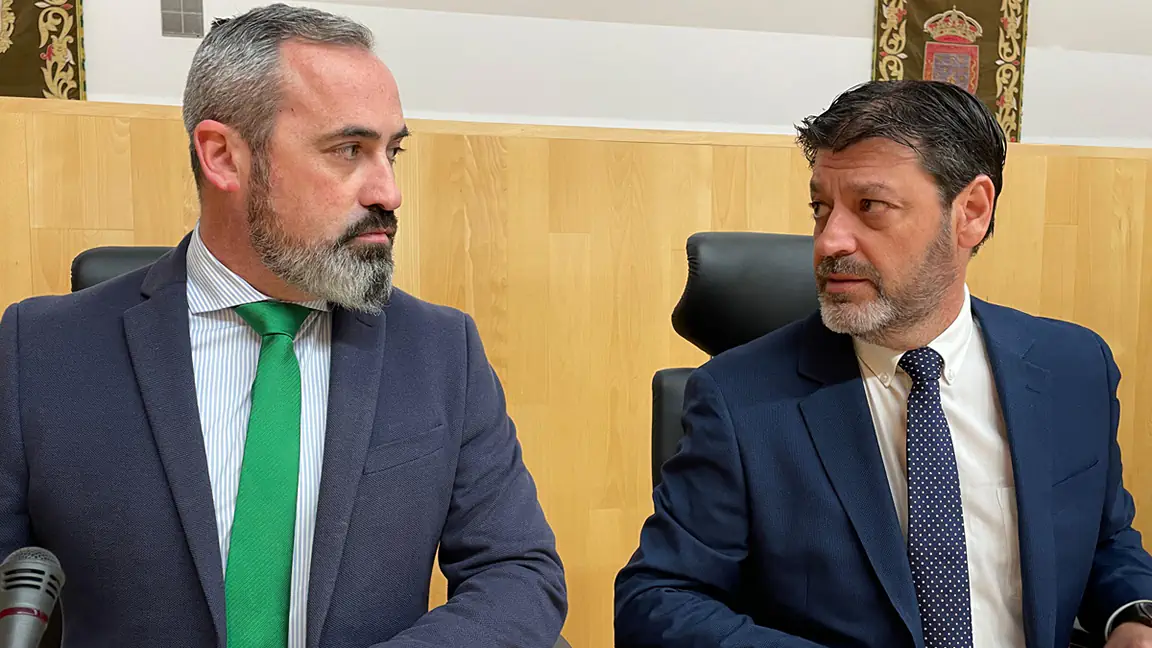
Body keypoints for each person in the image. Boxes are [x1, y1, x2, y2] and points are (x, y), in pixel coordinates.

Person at [0, 4, 566, 647]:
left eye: (392, 152)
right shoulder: (40, 350)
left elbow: (517, 573)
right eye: (349, 150)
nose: (388, 192)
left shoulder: (441, 352)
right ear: (223, 157)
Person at [614, 79, 1152, 648]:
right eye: (821, 208)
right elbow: (657, 599)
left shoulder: (1073, 367)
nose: (828, 242)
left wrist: (1135, 614)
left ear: (971, 212)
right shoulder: (738, 398)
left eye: (870, 207)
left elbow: (1104, 542)